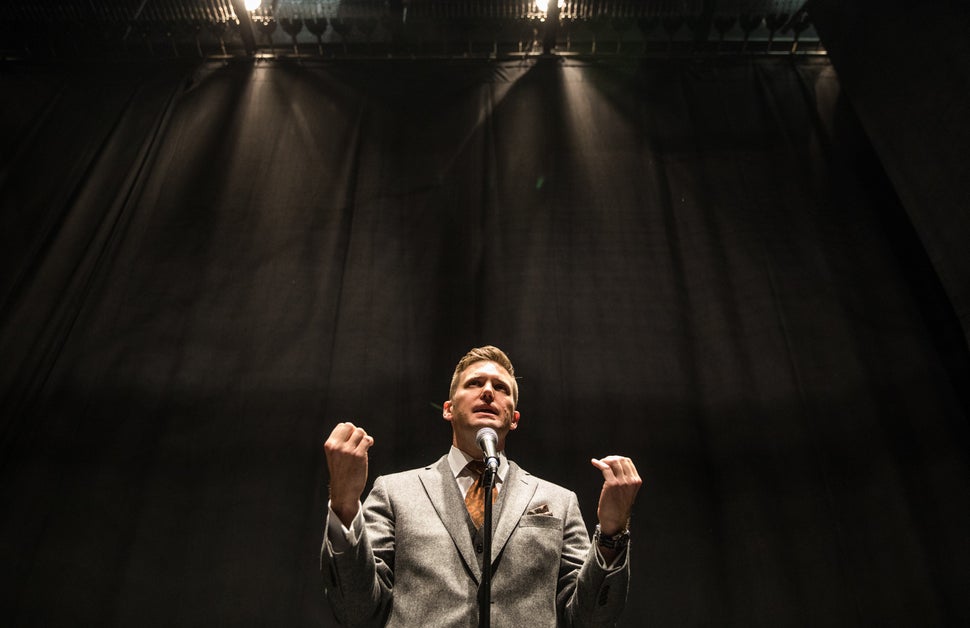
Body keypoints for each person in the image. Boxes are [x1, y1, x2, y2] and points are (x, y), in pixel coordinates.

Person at [321, 346, 642, 627]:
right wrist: (345, 505)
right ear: (448, 409)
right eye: (474, 383)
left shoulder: (559, 501)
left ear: (514, 418)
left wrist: (612, 534)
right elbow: (356, 611)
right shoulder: (394, 492)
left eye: (500, 387)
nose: (488, 391)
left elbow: (590, 620)